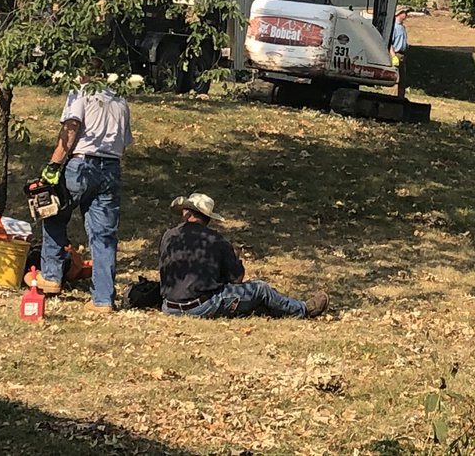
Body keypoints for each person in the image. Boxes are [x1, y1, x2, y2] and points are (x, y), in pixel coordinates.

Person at [36, 59, 132, 313]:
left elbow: (71, 128)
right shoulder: (119, 100)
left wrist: (54, 164)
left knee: (54, 213)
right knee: (104, 236)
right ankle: (102, 299)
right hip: (111, 169)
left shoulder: (80, 92)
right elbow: (124, 143)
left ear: (82, 73)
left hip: (81, 164)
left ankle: (51, 277)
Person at [159, 192, 328, 319]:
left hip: (169, 306)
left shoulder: (168, 236)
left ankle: (266, 309)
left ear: (187, 213)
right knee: (261, 289)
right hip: (199, 307)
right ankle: (303, 309)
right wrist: (235, 258)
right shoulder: (216, 240)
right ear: (208, 218)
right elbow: (236, 280)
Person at [390, 6, 410, 99]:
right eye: (404, 12)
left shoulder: (402, 27)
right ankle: (392, 98)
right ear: (398, 14)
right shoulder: (393, 27)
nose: (406, 15)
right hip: (396, 54)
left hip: (403, 55)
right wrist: (393, 56)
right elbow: (390, 44)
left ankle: (400, 98)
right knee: (396, 79)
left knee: (403, 79)